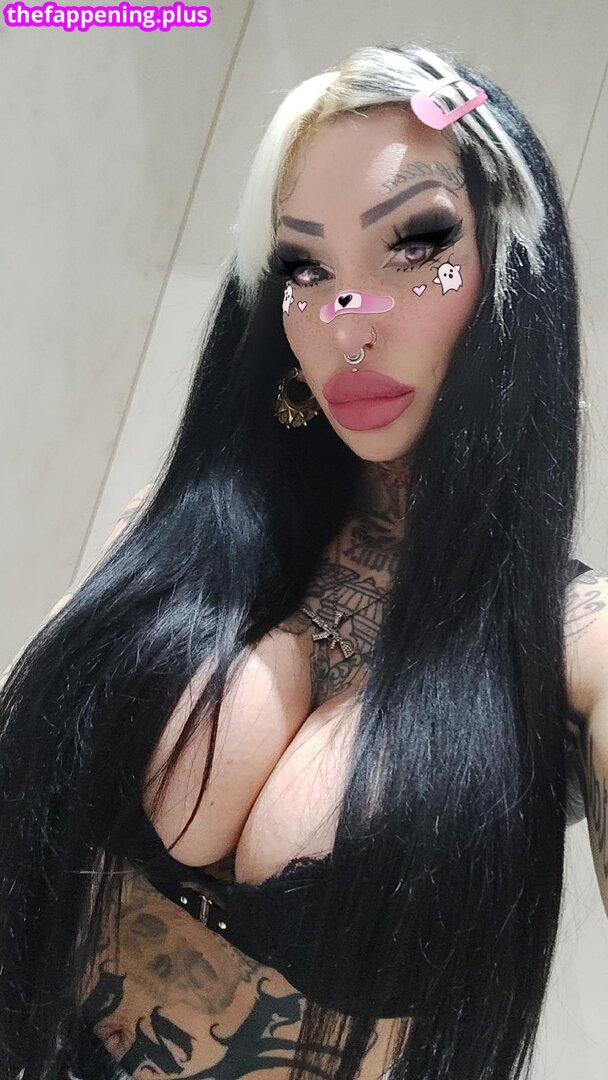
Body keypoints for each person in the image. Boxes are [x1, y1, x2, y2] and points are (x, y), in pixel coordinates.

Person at [0, 42, 601, 1080]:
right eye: (304, 267)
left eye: (414, 245)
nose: (345, 325)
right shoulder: (173, 539)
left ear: (515, 273)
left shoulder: (571, 649)